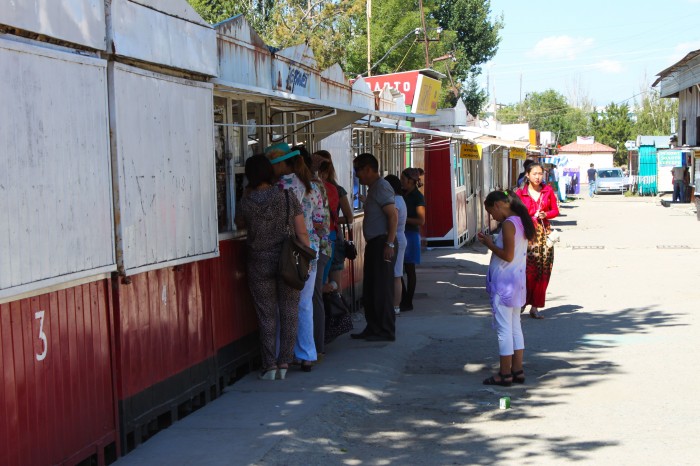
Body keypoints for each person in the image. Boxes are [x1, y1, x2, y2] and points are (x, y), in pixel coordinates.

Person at [238, 154, 310, 381]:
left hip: (258, 261)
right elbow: (301, 232)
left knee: (266, 315)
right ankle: (284, 362)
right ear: (270, 172)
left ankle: (269, 365)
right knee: (289, 311)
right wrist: (307, 258)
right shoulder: (287, 197)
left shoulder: (245, 202)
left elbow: (239, 224)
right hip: (287, 261)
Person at [266, 142, 328, 372]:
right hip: (310, 248)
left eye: (274, 164)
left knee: (286, 304)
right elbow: (320, 221)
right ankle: (307, 354)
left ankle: (287, 353)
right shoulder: (313, 185)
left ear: (282, 164)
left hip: (289, 248)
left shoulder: (283, 185)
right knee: (304, 304)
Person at [477, 190, 536, 386]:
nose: (492, 217)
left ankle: (504, 373)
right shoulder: (521, 221)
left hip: (505, 283)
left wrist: (489, 244)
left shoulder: (510, 224)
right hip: (517, 282)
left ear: (498, 205)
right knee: (514, 327)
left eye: (491, 212)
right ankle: (517, 370)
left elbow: (508, 255)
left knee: (504, 329)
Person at [350, 153, 398, 341]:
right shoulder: (373, 189)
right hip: (375, 243)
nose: (357, 176)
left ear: (368, 169)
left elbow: (392, 216)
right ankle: (373, 327)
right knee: (371, 288)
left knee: (382, 289)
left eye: (358, 171)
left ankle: (385, 330)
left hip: (382, 242)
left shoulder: (381, 187)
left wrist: (390, 243)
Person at [297, 146, 333, 362]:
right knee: (310, 299)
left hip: (306, 247)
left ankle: (314, 347)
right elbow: (321, 221)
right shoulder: (316, 184)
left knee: (308, 300)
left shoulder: (296, 185)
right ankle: (313, 348)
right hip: (317, 246)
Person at [516, 162, 559, 319]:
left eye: (540, 173)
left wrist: (546, 215)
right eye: (534, 173)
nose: (538, 176)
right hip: (525, 236)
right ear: (527, 174)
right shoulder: (521, 194)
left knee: (543, 272)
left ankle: (535, 307)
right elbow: (514, 213)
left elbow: (555, 210)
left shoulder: (548, 191)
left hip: (543, 237)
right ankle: (521, 303)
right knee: (525, 272)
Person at [313, 150, 354, 292]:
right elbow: (349, 217)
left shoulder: (315, 188)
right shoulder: (337, 188)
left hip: (330, 236)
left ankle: (334, 311)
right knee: (333, 276)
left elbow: (349, 216)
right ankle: (337, 311)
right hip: (334, 235)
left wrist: (328, 219)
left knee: (322, 279)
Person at [400, 167, 425, 312]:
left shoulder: (417, 197)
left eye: (403, 180)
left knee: (409, 270)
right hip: (401, 233)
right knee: (398, 269)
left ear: (411, 181)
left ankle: (408, 301)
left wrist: (403, 219)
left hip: (411, 235)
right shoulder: (402, 194)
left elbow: (421, 221)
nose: (401, 182)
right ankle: (403, 297)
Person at [385, 175, 407, 316]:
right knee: (396, 273)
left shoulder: (396, 201)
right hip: (399, 237)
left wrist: (390, 242)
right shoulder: (400, 199)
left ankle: (395, 305)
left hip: (396, 237)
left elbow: (394, 220)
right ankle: (395, 306)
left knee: (396, 274)